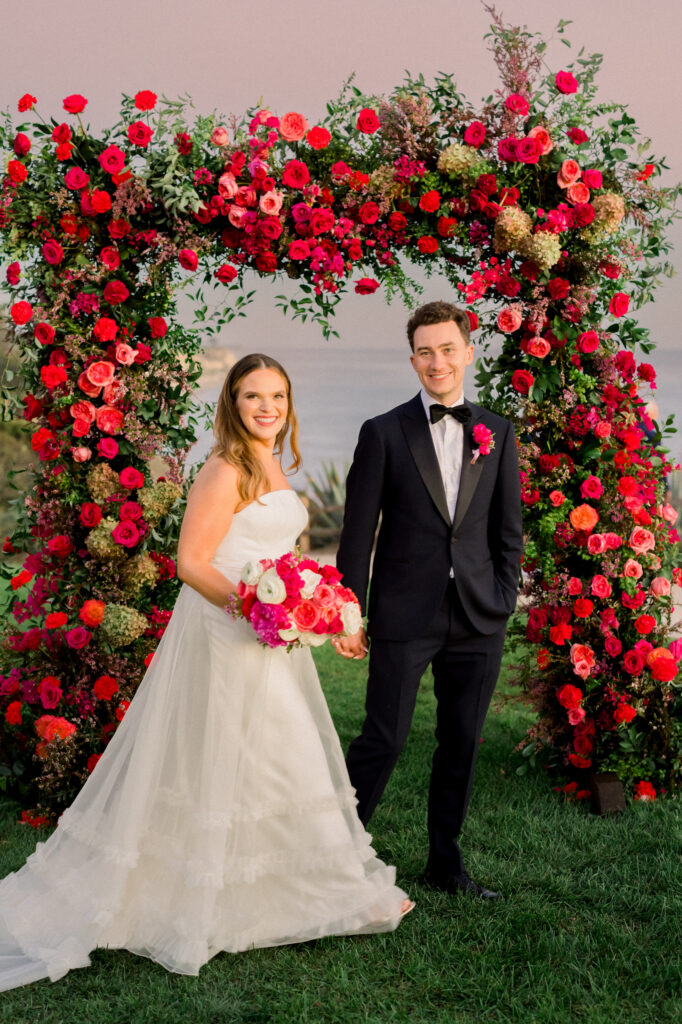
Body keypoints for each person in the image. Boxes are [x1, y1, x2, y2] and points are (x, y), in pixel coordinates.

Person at [0, 353, 411, 993]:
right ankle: (221, 899)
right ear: (233, 404)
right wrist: (257, 607)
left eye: (277, 395)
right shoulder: (225, 467)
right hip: (228, 633)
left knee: (280, 752)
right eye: (253, 397)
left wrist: (317, 606)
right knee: (237, 754)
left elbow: (275, 555)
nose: (267, 407)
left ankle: (313, 889)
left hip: (268, 635)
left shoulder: (273, 460)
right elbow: (190, 561)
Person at [334, 301, 523, 900]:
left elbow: (507, 530)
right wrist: (349, 610)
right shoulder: (383, 432)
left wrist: (503, 596)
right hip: (403, 613)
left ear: (468, 351)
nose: (436, 361)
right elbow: (357, 534)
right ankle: (333, 855)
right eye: (424, 351)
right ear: (412, 358)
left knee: (462, 739)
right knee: (383, 738)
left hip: (477, 613)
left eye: (447, 349)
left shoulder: (498, 430)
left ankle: (446, 865)